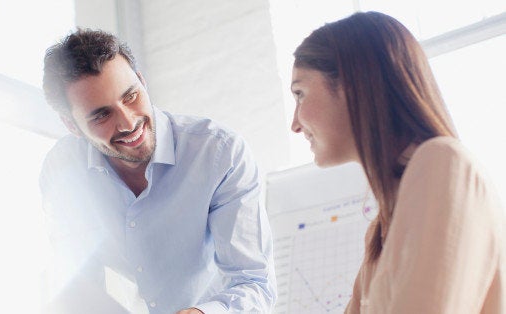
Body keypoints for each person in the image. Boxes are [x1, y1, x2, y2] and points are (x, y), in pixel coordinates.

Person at [39, 29, 276, 314]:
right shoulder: (62, 170)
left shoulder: (219, 154)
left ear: (142, 81)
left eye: (131, 96)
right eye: (102, 115)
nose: (128, 122)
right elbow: (74, 277)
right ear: (72, 126)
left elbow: (254, 283)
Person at [289, 11, 505, 313]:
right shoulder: (379, 234)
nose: (295, 124)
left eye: (300, 93)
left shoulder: (443, 163)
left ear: (353, 85)